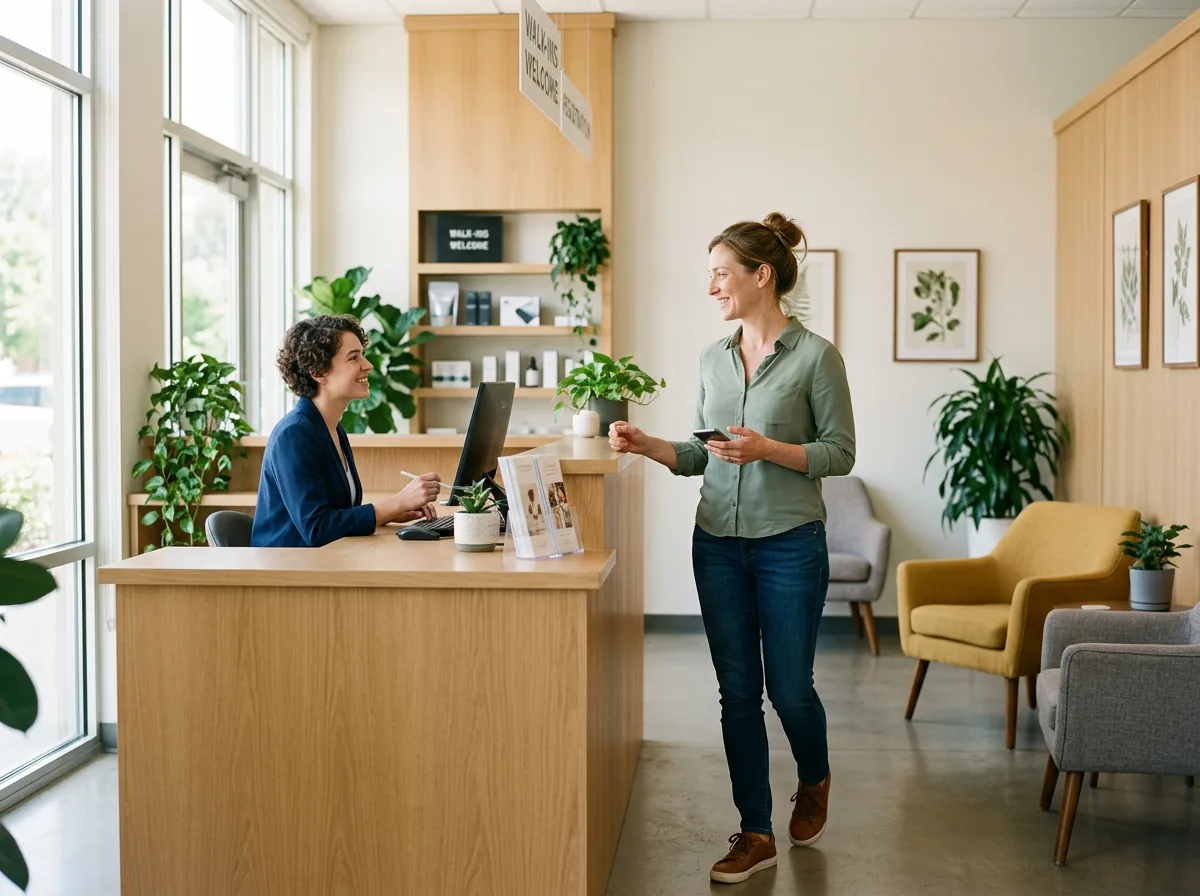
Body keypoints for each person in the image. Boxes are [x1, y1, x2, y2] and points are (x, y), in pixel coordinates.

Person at [608, 212, 855, 885]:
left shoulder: (816, 357)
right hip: (716, 543)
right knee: (737, 692)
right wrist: (647, 444)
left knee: (791, 689)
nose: (712, 286)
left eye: (722, 272)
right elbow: (699, 452)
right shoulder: (711, 359)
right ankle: (755, 831)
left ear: (760, 276)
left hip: (790, 547)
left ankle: (815, 775)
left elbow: (840, 452)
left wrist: (767, 448)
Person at [250, 314, 442, 548]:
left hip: (322, 563)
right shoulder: (294, 434)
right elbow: (317, 528)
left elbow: (336, 513)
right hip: (289, 571)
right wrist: (397, 503)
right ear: (319, 372)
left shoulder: (330, 427)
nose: (368, 365)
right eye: (353, 358)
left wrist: (390, 513)